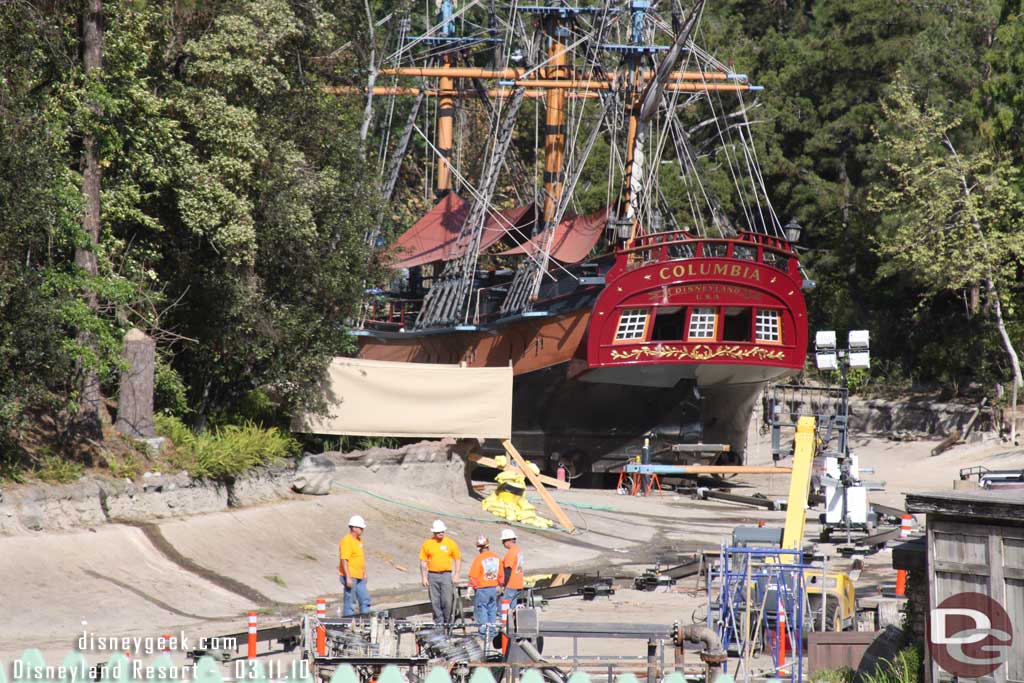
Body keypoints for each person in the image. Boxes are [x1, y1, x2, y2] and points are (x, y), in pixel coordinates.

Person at [419, 519, 461, 625]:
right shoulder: (428, 544)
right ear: (434, 532)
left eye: (442, 531)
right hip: (432, 575)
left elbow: (457, 559)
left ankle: (447, 621)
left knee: (447, 600)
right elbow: (423, 561)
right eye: (438, 532)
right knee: (435, 601)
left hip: (446, 575)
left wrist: (456, 574)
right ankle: (439, 621)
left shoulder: (450, 543)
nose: (440, 533)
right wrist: (424, 577)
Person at [468, 535, 500, 638]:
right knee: (492, 609)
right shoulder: (496, 557)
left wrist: (469, 589)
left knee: (482, 610)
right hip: (493, 588)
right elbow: (501, 574)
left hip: (482, 589)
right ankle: (492, 631)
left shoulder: (479, 559)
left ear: (479, 548)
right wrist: (500, 585)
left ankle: (484, 633)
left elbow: (473, 576)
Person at [339, 515, 370, 616]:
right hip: (350, 576)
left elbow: (360, 558)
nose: (362, 530)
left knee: (365, 599)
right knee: (350, 602)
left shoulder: (359, 541)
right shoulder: (347, 541)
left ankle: (366, 620)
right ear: (354, 528)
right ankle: (348, 622)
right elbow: (344, 559)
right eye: (361, 528)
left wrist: (364, 573)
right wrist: (348, 577)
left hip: (360, 575)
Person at [499, 528, 524, 610]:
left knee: (503, 606)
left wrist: (504, 585)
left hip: (511, 584)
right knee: (512, 608)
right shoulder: (518, 550)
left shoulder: (511, 553)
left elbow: (508, 570)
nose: (502, 543)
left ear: (508, 541)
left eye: (503, 541)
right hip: (519, 583)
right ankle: (511, 622)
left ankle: (503, 621)